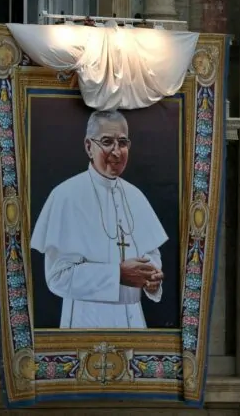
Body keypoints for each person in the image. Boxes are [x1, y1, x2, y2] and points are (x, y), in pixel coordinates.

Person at [31, 109, 168, 329]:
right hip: (85, 321)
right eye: (107, 142)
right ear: (89, 146)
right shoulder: (65, 196)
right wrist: (117, 275)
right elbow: (57, 277)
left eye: (122, 143)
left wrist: (151, 280)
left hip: (134, 323)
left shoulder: (136, 196)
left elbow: (152, 254)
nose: (116, 151)